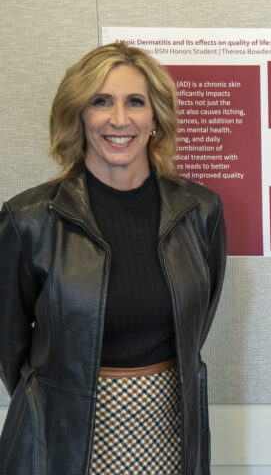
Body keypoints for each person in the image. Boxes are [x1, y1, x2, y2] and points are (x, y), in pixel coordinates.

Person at [0, 42, 227, 474]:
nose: (119, 119)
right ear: (79, 115)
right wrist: (57, 403)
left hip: (169, 428)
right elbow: (10, 346)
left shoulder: (200, 212)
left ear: (155, 117)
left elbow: (198, 322)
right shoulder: (28, 220)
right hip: (65, 434)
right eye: (101, 101)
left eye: (135, 102)